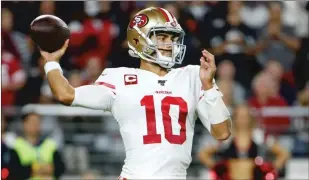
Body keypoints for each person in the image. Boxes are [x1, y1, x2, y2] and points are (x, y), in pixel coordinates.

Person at [40, 7, 231, 179]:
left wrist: (208, 87)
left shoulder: (192, 75)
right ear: (139, 40)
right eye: (162, 37)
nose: (170, 44)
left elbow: (222, 132)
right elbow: (66, 95)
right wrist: (51, 62)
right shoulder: (119, 78)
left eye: (173, 39)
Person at [198, 105, 290, 180]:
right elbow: (203, 154)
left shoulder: (260, 137)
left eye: (245, 116)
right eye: (240, 116)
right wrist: (217, 169)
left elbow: (284, 153)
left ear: (250, 118)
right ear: (235, 118)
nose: (243, 119)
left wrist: (270, 170)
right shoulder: (227, 138)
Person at [13, 112, 65, 179]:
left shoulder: (50, 144)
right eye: (32, 122)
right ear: (24, 124)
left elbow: (60, 168)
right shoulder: (16, 145)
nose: (35, 124)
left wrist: (51, 168)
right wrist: (35, 168)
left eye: (38, 122)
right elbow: (15, 171)